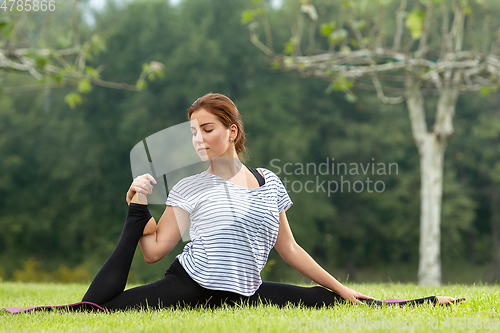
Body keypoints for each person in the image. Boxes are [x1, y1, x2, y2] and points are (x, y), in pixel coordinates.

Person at [81, 93, 457, 311]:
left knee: (322, 300)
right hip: (189, 286)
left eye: (207, 129)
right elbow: (153, 251)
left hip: (246, 292)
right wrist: (136, 207)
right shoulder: (188, 188)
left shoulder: (268, 182)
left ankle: (423, 301)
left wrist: (341, 288)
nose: (198, 139)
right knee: (99, 310)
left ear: (232, 131)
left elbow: (289, 248)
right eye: (193, 132)